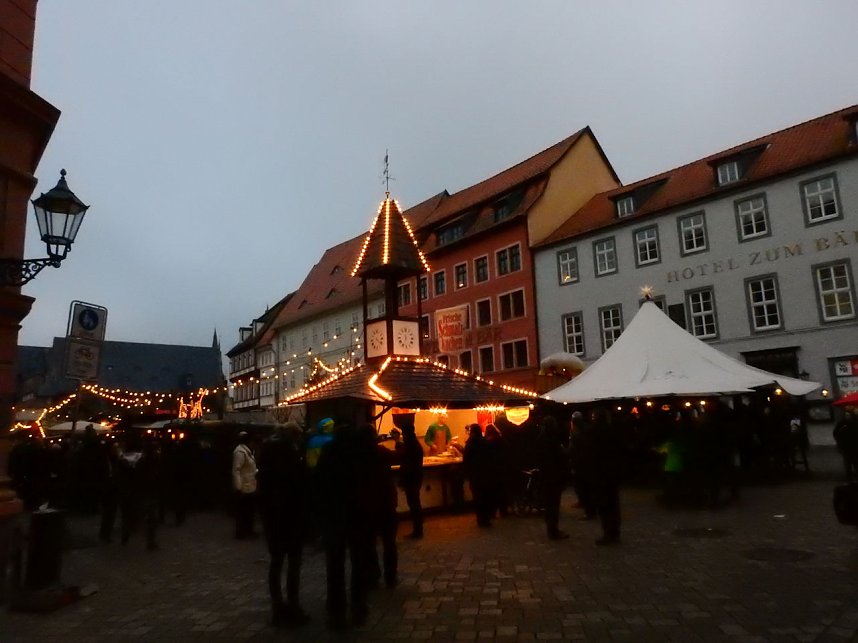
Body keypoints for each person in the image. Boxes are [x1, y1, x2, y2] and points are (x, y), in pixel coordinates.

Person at [316, 422, 376, 629]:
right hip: (357, 515)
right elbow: (369, 483)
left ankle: (336, 611)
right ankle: (359, 607)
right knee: (358, 563)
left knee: (335, 566)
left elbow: (319, 482)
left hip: (334, 515)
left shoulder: (329, 451)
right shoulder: (360, 453)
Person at [256, 421, 310, 627]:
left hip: (272, 517)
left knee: (276, 562)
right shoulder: (291, 455)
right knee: (294, 562)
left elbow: (262, 487)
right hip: (291, 516)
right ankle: (293, 605)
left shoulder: (266, 453)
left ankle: (278, 607)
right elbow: (300, 486)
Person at [590, 408, 622, 545]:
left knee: (605, 504)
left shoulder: (596, 432)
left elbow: (593, 452)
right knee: (612, 503)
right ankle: (614, 531)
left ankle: (608, 533)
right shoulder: (611, 430)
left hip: (601, 472)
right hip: (612, 471)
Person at [537, 416, 570, 540]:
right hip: (553, 476)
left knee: (549, 504)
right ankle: (553, 531)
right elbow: (559, 457)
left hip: (546, 476)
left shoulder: (541, 439)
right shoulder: (552, 440)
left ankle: (551, 529)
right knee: (553, 505)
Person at [395, 420, 424, 538]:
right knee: (415, 503)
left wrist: (397, 441)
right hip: (416, 476)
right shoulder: (415, 443)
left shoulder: (410, 445)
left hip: (411, 478)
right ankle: (418, 529)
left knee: (414, 503)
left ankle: (418, 530)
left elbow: (402, 455)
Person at [463, 423, 493, 527]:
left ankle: (481, 519)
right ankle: (487, 518)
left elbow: (466, 459)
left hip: (475, 474)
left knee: (478, 497)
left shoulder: (470, 443)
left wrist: (467, 472)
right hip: (485, 473)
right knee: (486, 496)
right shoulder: (485, 442)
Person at [232, 431, 258, 539]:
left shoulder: (247, 452)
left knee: (249, 511)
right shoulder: (240, 452)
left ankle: (248, 530)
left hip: (249, 484)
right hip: (244, 486)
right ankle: (242, 532)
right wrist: (238, 487)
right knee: (244, 511)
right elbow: (236, 470)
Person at [834, 410, 858, 481]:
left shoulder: (844, 423)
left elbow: (836, 433)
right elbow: (836, 433)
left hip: (849, 446)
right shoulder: (843, 423)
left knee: (850, 462)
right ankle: (851, 476)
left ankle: (850, 477)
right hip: (850, 446)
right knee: (852, 462)